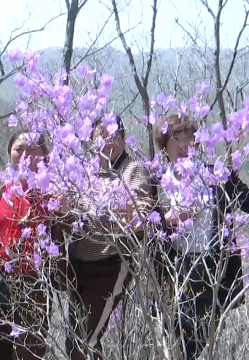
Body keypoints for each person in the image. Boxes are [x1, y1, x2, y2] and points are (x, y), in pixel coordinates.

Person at [152, 114, 249, 359]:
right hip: (172, 270)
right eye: (175, 138)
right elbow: (141, 221)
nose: (183, 145)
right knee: (175, 344)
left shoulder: (216, 177)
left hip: (211, 270)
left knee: (198, 339)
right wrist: (168, 218)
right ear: (163, 144)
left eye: (189, 137)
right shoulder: (156, 182)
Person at [0, 130, 65, 360]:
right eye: (18, 149)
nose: (24, 154)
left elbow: (64, 231)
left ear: (44, 154)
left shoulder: (52, 188)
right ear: (9, 152)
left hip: (34, 282)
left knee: (30, 349)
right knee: (1, 346)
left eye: (32, 149)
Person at [64, 115, 156, 360]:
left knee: (82, 340)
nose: (107, 141)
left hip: (111, 265)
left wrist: (115, 210)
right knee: (82, 339)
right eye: (101, 136)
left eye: (114, 135)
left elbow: (141, 213)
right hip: (78, 264)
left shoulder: (132, 171)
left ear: (124, 140)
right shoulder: (84, 172)